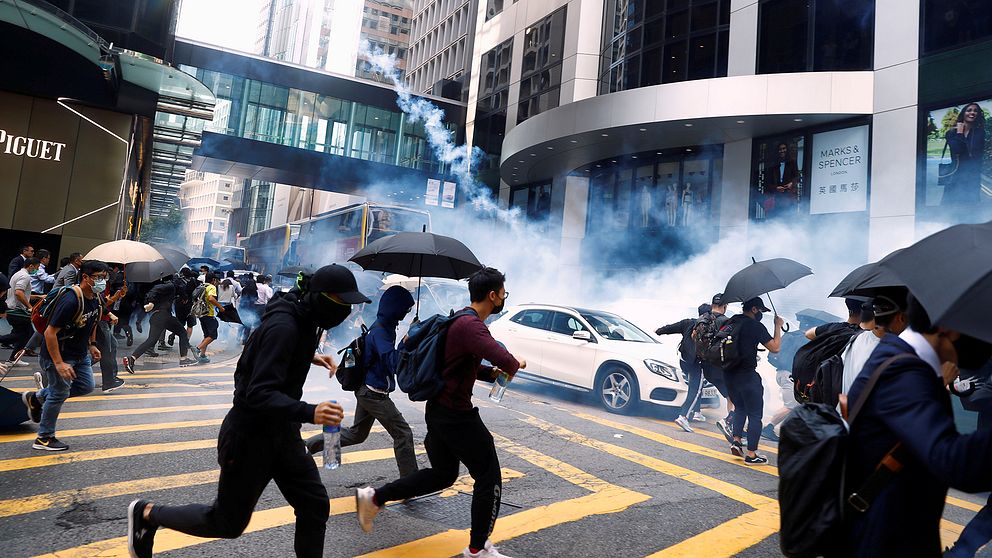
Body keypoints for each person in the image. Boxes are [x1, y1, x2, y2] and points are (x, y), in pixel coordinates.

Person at [126, 264, 369, 558]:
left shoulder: (303, 315)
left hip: (284, 433)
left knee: (315, 505)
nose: (345, 311)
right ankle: (148, 514)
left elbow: (273, 349)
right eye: (341, 302)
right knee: (227, 523)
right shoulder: (285, 326)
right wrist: (311, 412)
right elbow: (258, 394)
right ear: (319, 297)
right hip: (250, 436)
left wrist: (310, 356)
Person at [355, 267, 525, 558]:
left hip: (440, 411)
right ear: (493, 295)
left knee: (443, 474)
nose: (504, 298)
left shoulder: (461, 319)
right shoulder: (472, 326)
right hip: (456, 416)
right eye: (503, 294)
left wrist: (487, 373)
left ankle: (374, 497)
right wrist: (514, 363)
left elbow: (457, 364)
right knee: (488, 477)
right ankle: (478, 548)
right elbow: (505, 358)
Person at [836, 296, 992, 557]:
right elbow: (951, 461)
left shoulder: (906, 361)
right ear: (949, 328)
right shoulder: (903, 373)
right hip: (883, 542)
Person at [305, 285, 419, 477]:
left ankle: (306, 447)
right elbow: (393, 363)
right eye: (405, 309)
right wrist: (406, 341)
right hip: (373, 393)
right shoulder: (381, 332)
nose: (406, 314)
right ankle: (410, 483)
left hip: (366, 389)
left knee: (357, 434)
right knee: (403, 433)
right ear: (395, 308)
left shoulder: (385, 326)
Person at [20, 260, 107, 451]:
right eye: (98, 277)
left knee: (86, 386)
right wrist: (59, 363)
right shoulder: (71, 300)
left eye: (104, 277)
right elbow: (50, 332)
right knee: (59, 393)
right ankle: (44, 438)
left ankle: (37, 397)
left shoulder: (95, 297)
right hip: (58, 354)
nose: (102, 281)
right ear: (85, 277)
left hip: (79, 353)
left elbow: (92, 321)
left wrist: (92, 345)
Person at [723, 297, 782, 465]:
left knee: (740, 407)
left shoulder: (730, 322)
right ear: (755, 309)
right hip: (747, 376)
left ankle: (736, 441)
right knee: (755, 415)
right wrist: (777, 326)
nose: (762, 314)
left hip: (728, 375)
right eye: (761, 311)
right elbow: (775, 347)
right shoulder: (755, 326)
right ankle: (751, 454)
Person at [656, 302, 711, 433]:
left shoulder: (688, 323)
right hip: (696, 364)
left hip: (684, 361)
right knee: (696, 389)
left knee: (698, 386)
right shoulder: (708, 326)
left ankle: (697, 412)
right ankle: (683, 416)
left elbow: (670, 328)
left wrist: (658, 331)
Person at [123, 276, 197, 372]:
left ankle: (132, 359)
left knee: (151, 340)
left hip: (156, 317)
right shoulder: (169, 286)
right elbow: (154, 291)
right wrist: (151, 303)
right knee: (183, 333)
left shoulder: (168, 288)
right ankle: (183, 359)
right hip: (163, 315)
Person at [698, 294, 734, 442]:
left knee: (729, 396)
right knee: (735, 398)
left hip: (706, 368)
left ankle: (731, 425)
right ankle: (730, 424)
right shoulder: (726, 321)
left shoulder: (702, 319)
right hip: (721, 367)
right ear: (725, 306)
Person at [0, 257, 43, 369]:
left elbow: (22, 293)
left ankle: (13, 358)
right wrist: (30, 307)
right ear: (31, 266)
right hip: (17, 310)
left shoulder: (17, 274)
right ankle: (13, 357)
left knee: (22, 333)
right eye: (37, 267)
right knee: (24, 334)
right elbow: (19, 293)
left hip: (13, 308)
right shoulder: (25, 276)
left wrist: (38, 296)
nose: (37, 270)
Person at [942, 102, 986, 206]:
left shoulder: (980, 133)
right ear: (963, 113)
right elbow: (957, 150)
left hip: (972, 177)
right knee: (950, 209)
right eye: (969, 110)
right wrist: (960, 133)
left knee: (970, 210)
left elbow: (975, 154)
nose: (972, 113)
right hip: (955, 176)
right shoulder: (951, 133)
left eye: (976, 111)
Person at [95, 282, 127, 392]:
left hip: (102, 320)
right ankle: (109, 382)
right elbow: (100, 304)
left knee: (111, 346)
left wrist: (117, 296)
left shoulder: (101, 286)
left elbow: (103, 303)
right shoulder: (92, 288)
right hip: (99, 321)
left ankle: (112, 377)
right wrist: (114, 298)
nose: (102, 279)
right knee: (105, 351)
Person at [764, 142, 799, 219]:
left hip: (789, 195)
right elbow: (768, 182)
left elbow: (797, 177)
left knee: (789, 214)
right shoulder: (773, 165)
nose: (782, 151)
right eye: (780, 149)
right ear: (777, 151)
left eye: (784, 148)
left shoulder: (792, 163)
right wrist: (776, 188)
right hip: (776, 196)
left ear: (787, 150)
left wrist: (791, 183)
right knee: (777, 215)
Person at [195, 273, 224, 364]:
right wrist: (220, 307)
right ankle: (197, 349)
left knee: (207, 335)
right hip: (208, 314)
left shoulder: (202, 286)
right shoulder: (211, 287)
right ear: (213, 280)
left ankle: (203, 355)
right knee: (212, 335)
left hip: (201, 314)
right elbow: (211, 298)